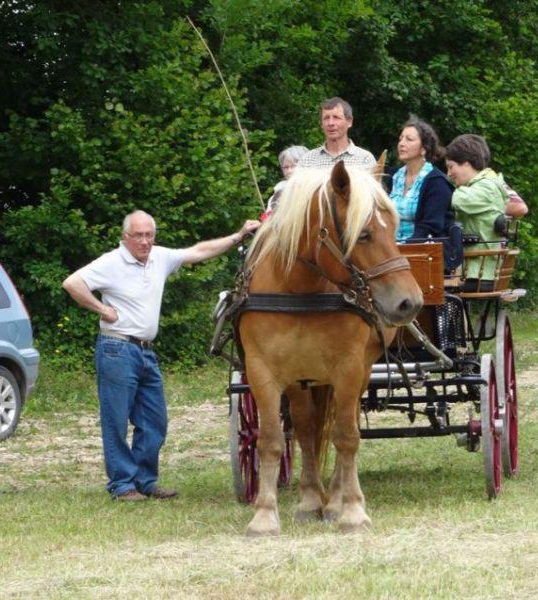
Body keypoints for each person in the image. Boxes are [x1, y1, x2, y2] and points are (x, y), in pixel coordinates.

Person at [62, 210, 260, 501]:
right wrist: (102, 309)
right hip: (117, 348)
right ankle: (122, 485)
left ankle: (145, 480)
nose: (144, 241)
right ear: (125, 237)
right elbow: (72, 283)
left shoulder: (159, 257)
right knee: (116, 420)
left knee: (155, 420)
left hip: (145, 351)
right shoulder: (110, 262)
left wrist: (238, 236)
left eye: (149, 235)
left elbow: (198, 252)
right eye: (138, 236)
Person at [445, 133, 525, 292]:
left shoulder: (485, 188)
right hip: (474, 270)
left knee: (429, 286)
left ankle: (444, 317)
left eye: (451, 167)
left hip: (477, 274)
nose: (448, 173)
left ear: (466, 164)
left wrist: (433, 190)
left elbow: (454, 200)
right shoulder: (486, 184)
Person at [297, 97, 377, 170]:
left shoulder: (365, 160)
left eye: (336, 117)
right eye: (326, 118)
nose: (330, 123)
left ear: (349, 121)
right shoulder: (307, 161)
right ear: (321, 124)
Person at [263, 145, 308, 218]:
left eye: (293, 166)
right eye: (286, 167)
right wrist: (261, 222)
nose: (289, 171)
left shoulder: (313, 190)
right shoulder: (278, 191)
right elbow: (267, 216)